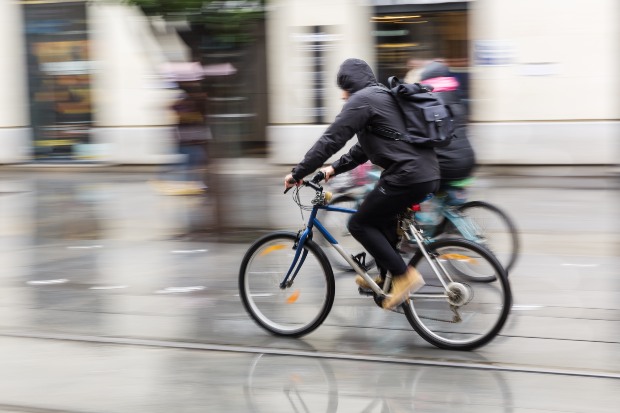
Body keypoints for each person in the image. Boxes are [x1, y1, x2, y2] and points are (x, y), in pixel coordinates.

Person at [284, 58, 440, 309]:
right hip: (426, 173)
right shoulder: (382, 96)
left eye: (342, 89)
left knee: (359, 223)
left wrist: (298, 172)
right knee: (381, 219)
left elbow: (331, 139)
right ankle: (387, 278)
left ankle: (404, 276)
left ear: (348, 84)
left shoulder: (361, 100)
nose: (342, 97)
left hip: (406, 175)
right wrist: (333, 169)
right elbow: (363, 149)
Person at [418, 60, 476, 207]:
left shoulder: (429, 103)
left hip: (447, 166)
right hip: (468, 162)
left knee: (410, 185)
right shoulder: (457, 101)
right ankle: (448, 223)